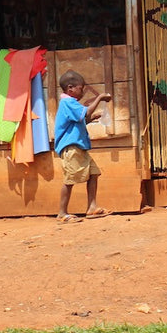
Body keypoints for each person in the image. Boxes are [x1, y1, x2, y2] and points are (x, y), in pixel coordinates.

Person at [54, 70, 112, 223]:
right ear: (70, 88)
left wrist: (91, 118)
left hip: (78, 147)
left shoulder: (70, 103)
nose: (82, 92)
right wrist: (99, 98)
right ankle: (62, 213)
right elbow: (84, 113)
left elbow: (80, 120)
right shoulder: (68, 102)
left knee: (94, 173)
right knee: (70, 179)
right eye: (81, 88)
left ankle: (92, 207)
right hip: (71, 147)